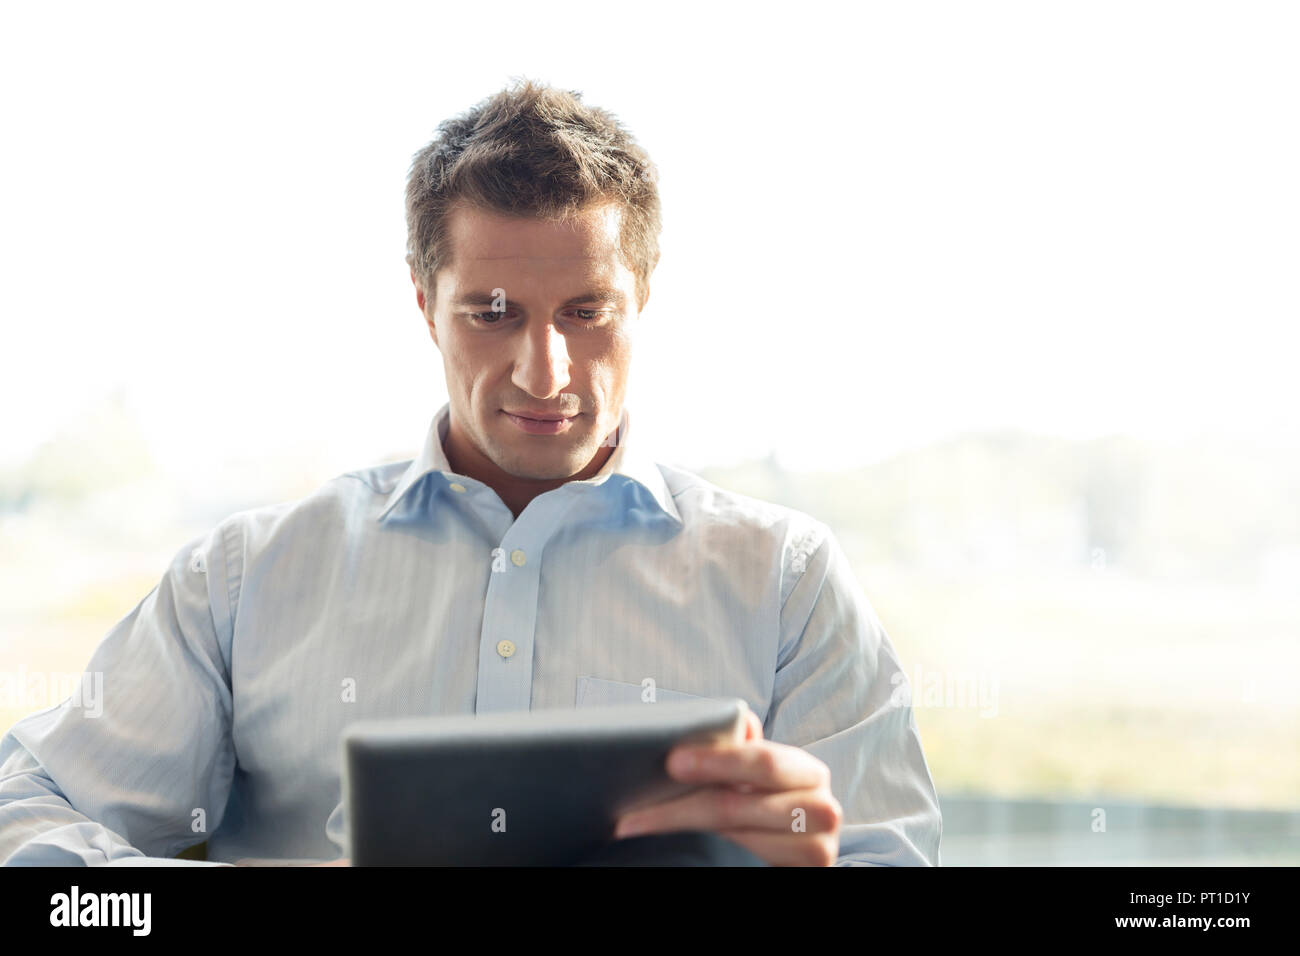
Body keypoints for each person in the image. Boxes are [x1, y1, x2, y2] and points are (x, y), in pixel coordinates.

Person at [0, 79, 942, 867]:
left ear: (642, 299)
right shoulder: (244, 580)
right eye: (491, 313)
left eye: (586, 311)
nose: (546, 372)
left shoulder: (787, 582)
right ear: (425, 305)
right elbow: (32, 810)